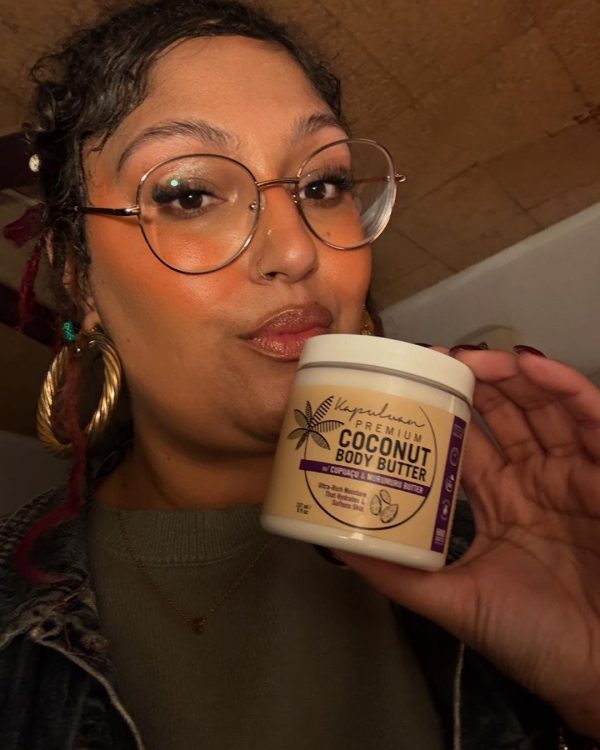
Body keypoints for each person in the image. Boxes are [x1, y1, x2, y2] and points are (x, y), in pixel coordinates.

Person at [0, 1, 598, 748]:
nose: (297, 250)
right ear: (80, 280)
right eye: (188, 194)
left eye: (323, 185)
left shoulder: (496, 537)